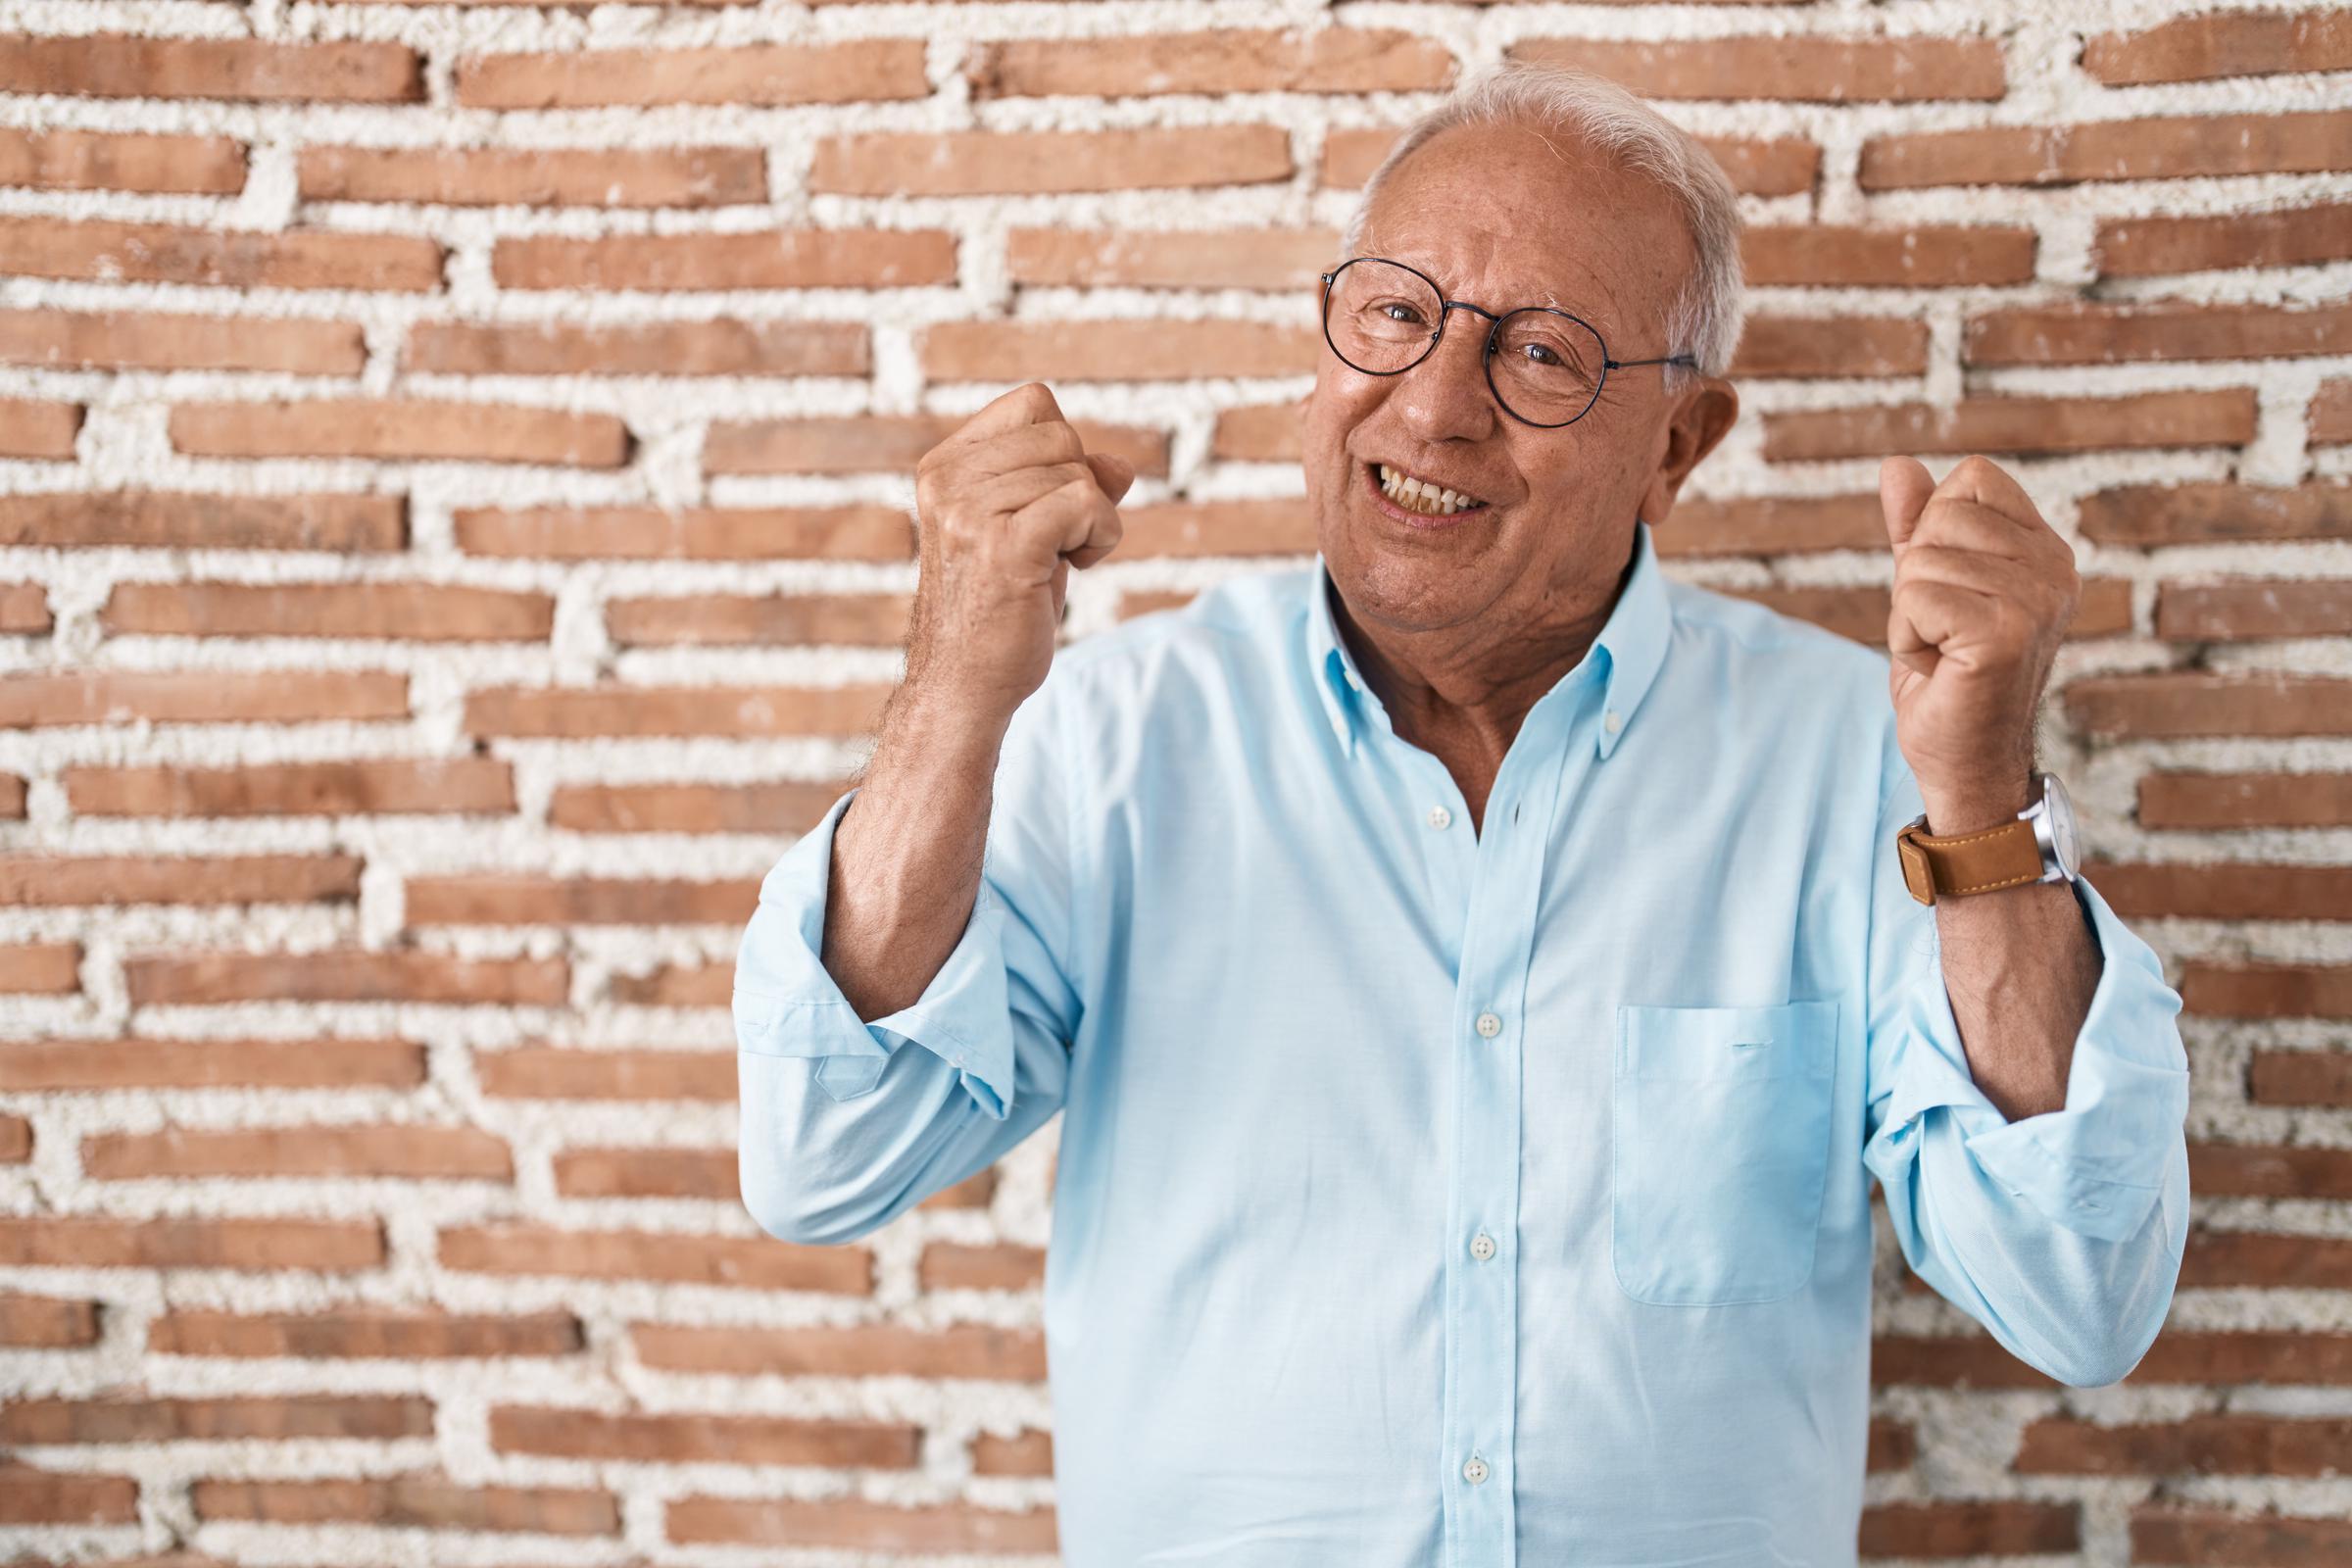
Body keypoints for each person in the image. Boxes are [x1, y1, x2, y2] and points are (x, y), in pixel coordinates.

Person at [729, 59, 2191, 1567]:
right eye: (1394, 313)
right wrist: (950, 693)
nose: (1433, 407)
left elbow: (2076, 1294)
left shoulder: (1866, 765)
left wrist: (1983, 791)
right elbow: (827, 1154)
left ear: (1677, 448)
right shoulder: (1116, 738)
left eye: (1543, 356)